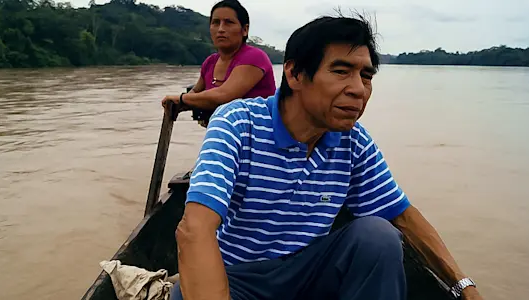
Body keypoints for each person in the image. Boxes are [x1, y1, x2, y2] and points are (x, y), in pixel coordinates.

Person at [171, 14, 484, 300]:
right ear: (294, 74)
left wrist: (464, 286)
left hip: (308, 274)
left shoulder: (353, 140)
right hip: (240, 279)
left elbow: (402, 216)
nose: (358, 89)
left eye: (366, 76)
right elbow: (194, 229)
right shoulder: (238, 123)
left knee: (377, 236)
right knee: (184, 294)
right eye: (341, 71)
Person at [161, 0, 276, 123]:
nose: (221, 29)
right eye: (216, 23)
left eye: (228, 22)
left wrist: (181, 99)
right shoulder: (210, 62)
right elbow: (195, 93)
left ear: (245, 30)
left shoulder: (255, 57)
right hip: (227, 135)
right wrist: (177, 104)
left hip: (260, 135)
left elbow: (224, 95)